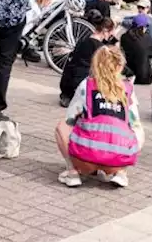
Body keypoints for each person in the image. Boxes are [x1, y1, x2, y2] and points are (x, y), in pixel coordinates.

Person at [56, 44, 143, 188]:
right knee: (138, 129)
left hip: (85, 159)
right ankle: (121, 173)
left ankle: (73, 173)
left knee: (62, 126)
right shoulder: (127, 89)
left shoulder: (87, 85)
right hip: (117, 159)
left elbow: (70, 118)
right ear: (120, 65)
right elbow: (134, 122)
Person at [59, 18, 119, 105]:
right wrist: (116, 42)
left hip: (67, 84)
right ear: (105, 31)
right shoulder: (100, 48)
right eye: (110, 34)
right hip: (82, 85)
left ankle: (69, 96)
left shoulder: (83, 41)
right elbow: (116, 62)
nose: (111, 35)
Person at [118, 14, 152, 85]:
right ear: (142, 27)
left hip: (130, 72)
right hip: (145, 77)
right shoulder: (148, 38)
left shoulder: (124, 37)